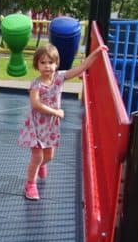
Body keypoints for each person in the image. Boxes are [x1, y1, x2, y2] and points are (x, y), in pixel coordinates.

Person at [18, 42, 107, 200]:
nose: (47, 66)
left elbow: (81, 68)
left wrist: (96, 53)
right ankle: (30, 184)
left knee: (49, 156)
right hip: (36, 126)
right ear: (37, 65)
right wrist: (56, 112)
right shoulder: (36, 85)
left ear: (56, 63)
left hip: (50, 126)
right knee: (37, 157)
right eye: (43, 62)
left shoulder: (60, 77)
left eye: (50, 62)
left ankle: (41, 165)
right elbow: (36, 104)